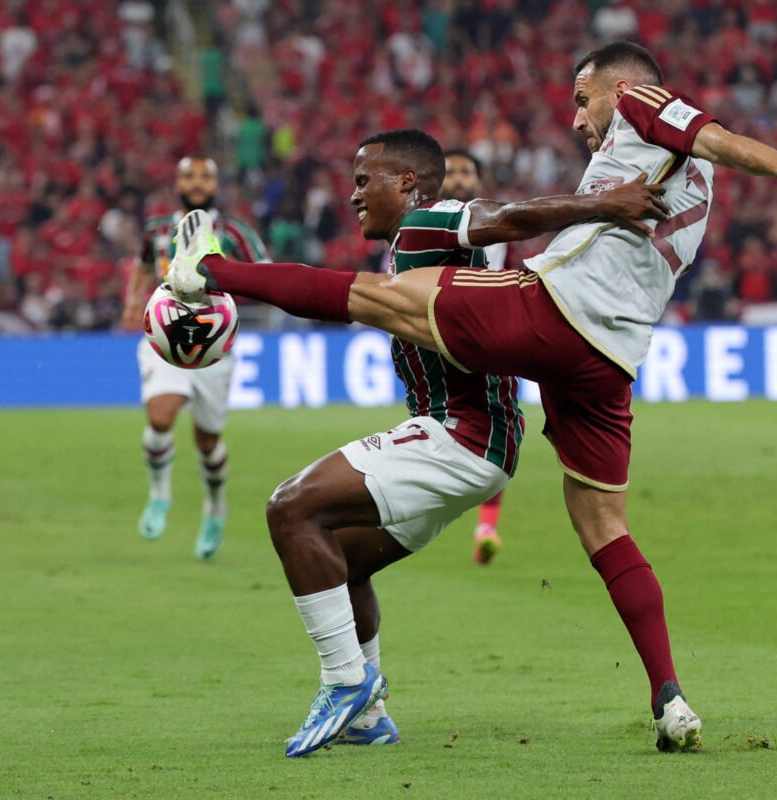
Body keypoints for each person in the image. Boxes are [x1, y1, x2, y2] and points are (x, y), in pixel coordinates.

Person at [167, 42, 777, 751]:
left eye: (581, 97)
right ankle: (669, 697)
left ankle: (214, 271)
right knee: (603, 524)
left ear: (618, 88)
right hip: (612, 359)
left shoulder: (638, 103)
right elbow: (700, 155)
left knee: (375, 298)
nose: (576, 117)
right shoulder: (688, 181)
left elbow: (714, 135)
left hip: (557, 312)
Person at [179, 130, 666, 756]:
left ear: (407, 183)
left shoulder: (426, 225)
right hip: (479, 443)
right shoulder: (418, 244)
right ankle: (367, 717)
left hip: (460, 435)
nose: (353, 195)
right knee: (340, 558)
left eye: (364, 181)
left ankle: (346, 683)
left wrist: (218, 272)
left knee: (290, 508)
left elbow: (505, 215)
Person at [120, 156, 268, 560]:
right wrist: (134, 301)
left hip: (214, 345)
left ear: (217, 183)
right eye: (190, 176)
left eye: (206, 176)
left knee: (207, 442)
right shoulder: (156, 229)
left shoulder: (234, 231)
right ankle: (159, 494)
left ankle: (215, 509)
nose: (198, 183)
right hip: (164, 337)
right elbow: (141, 266)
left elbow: (266, 271)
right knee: (160, 417)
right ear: (177, 181)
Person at [441, 148, 507, 564]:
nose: (460, 178)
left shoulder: (493, 220)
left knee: (495, 428)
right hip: (436, 337)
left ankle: (487, 525)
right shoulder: (422, 222)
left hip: (485, 335)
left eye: (467, 171)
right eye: (452, 172)